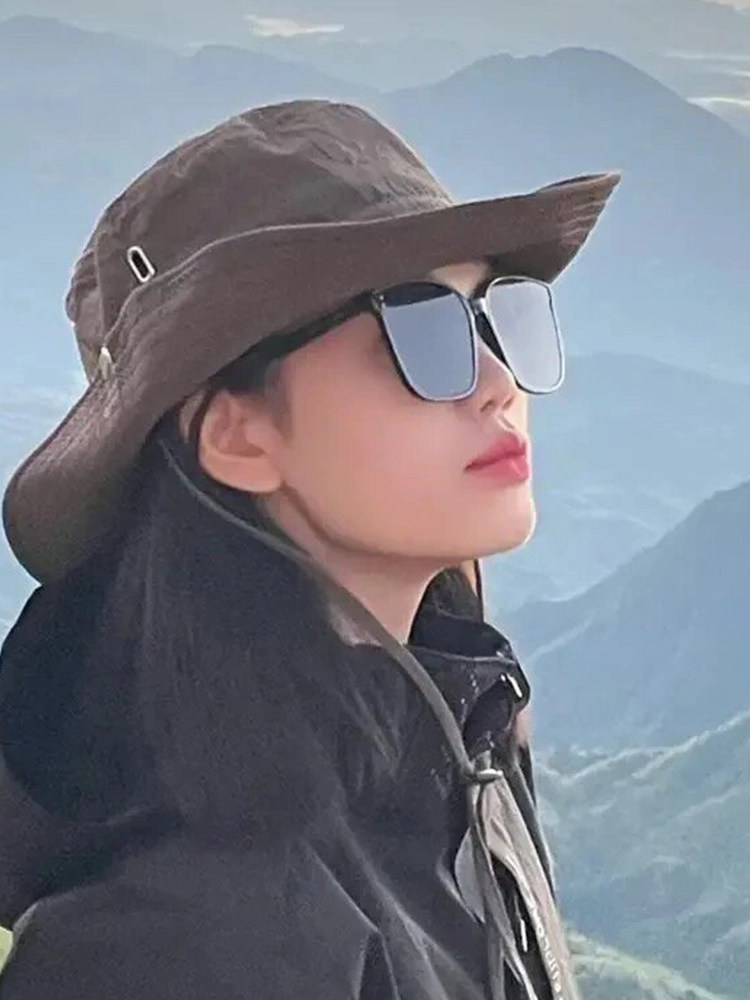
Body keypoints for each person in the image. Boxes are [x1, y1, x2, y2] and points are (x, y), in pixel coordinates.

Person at [0, 99, 621, 999]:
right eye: (421, 330)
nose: (497, 382)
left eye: (497, 316)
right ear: (237, 438)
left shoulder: (458, 743)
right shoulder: (185, 938)